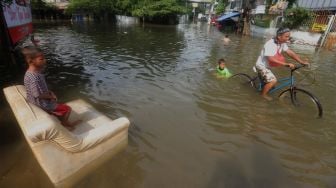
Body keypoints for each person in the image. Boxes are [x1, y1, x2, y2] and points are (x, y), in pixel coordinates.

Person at [22, 46, 81, 129]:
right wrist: (51, 96)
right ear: (31, 61)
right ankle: (65, 123)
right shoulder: (34, 78)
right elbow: (37, 94)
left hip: (36, 100)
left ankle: (58, 116)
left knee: (57, 102)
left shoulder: (30, 73)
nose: (45, 61)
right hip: (41, 103)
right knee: (67, 109)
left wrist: (50, 92)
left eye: (44, 58)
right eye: (41, 59)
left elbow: (39, 89)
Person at [255, 27, 309, 101]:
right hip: (262, 66)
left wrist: (301, 61)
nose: (288, 38)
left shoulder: (282, 43)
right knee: (273, 81)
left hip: (269, 66)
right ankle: (262, 95)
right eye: (286, 36)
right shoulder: (270, 44)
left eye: (289, 36)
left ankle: (265, 86)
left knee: (273, 83)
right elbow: (271, 59)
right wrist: (285, 64)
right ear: (279, 36)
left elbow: (290, 52)